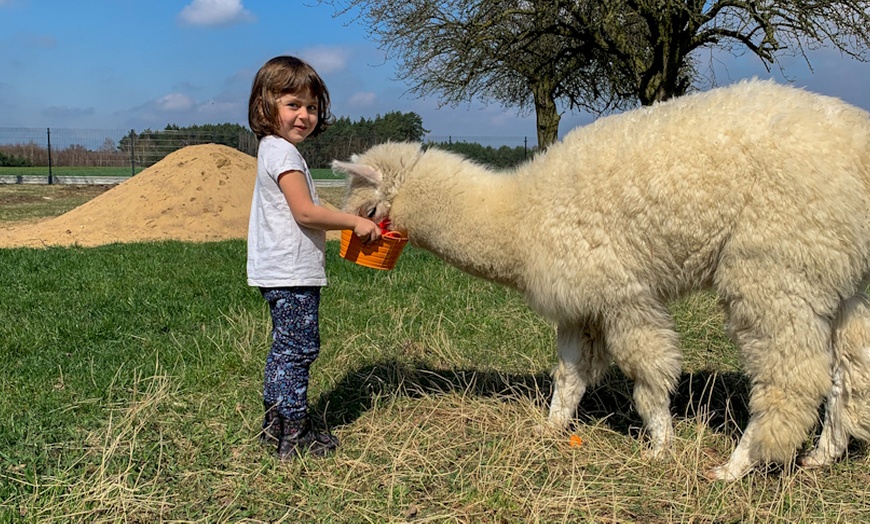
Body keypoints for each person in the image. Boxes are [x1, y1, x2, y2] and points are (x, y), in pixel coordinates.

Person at [246, 56, 381, 459]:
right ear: (265, 106)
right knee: (299, 349)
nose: (304, 115)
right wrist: (353, 224)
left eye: (311, 107)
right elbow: (305, 212)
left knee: (284, 348)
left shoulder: (273, 150)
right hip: (291, 272)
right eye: (293, 105)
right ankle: (295, 432)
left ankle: (274, 426)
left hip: (277, 270)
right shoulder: (284, 156)